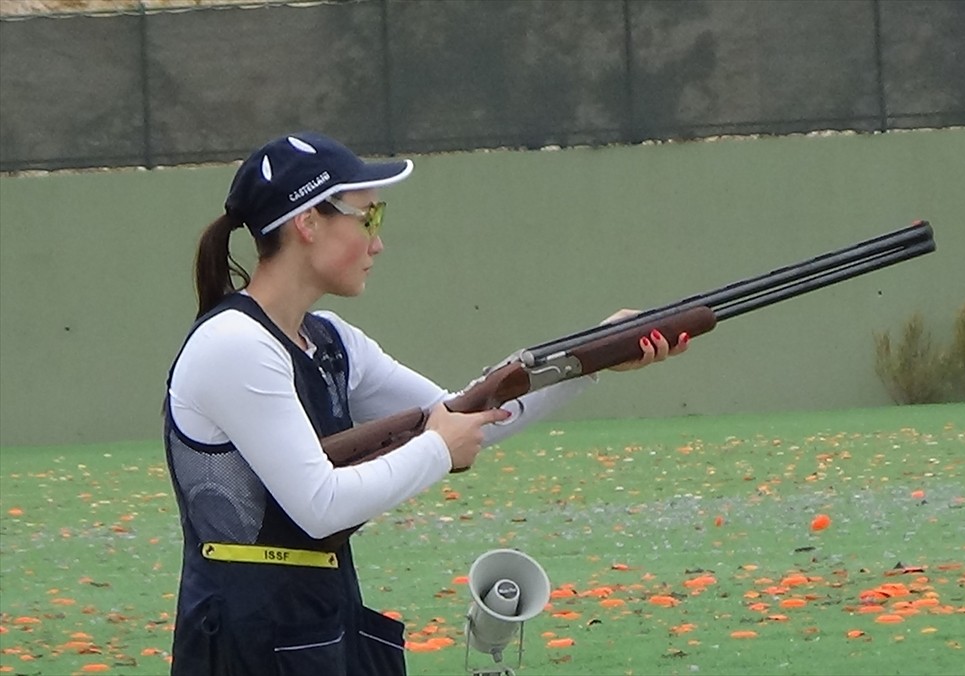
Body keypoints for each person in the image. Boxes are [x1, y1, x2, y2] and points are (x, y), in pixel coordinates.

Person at [163, 132, 687, 675]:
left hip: (315, 621)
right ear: (308, 222)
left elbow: (470, 415)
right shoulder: (236, 346)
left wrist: (593, 355)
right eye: (368, 217)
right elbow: (320, 505)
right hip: (247, 640)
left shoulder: (329, 341)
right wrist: (437, 449)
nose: (378, 242)